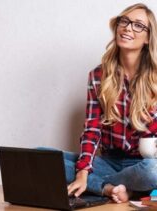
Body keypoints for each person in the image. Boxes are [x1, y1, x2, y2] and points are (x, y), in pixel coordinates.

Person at [63, 3, 157, 204]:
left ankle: (100, 186)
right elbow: (92, 129)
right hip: (108, 161)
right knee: (47, 157)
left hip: (143, 163)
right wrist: (82, 171)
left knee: (153, 171)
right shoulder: (98, 75)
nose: (128, 28)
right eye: (124, 21)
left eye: (138, 25)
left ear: (148, 38)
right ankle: (112, 189)